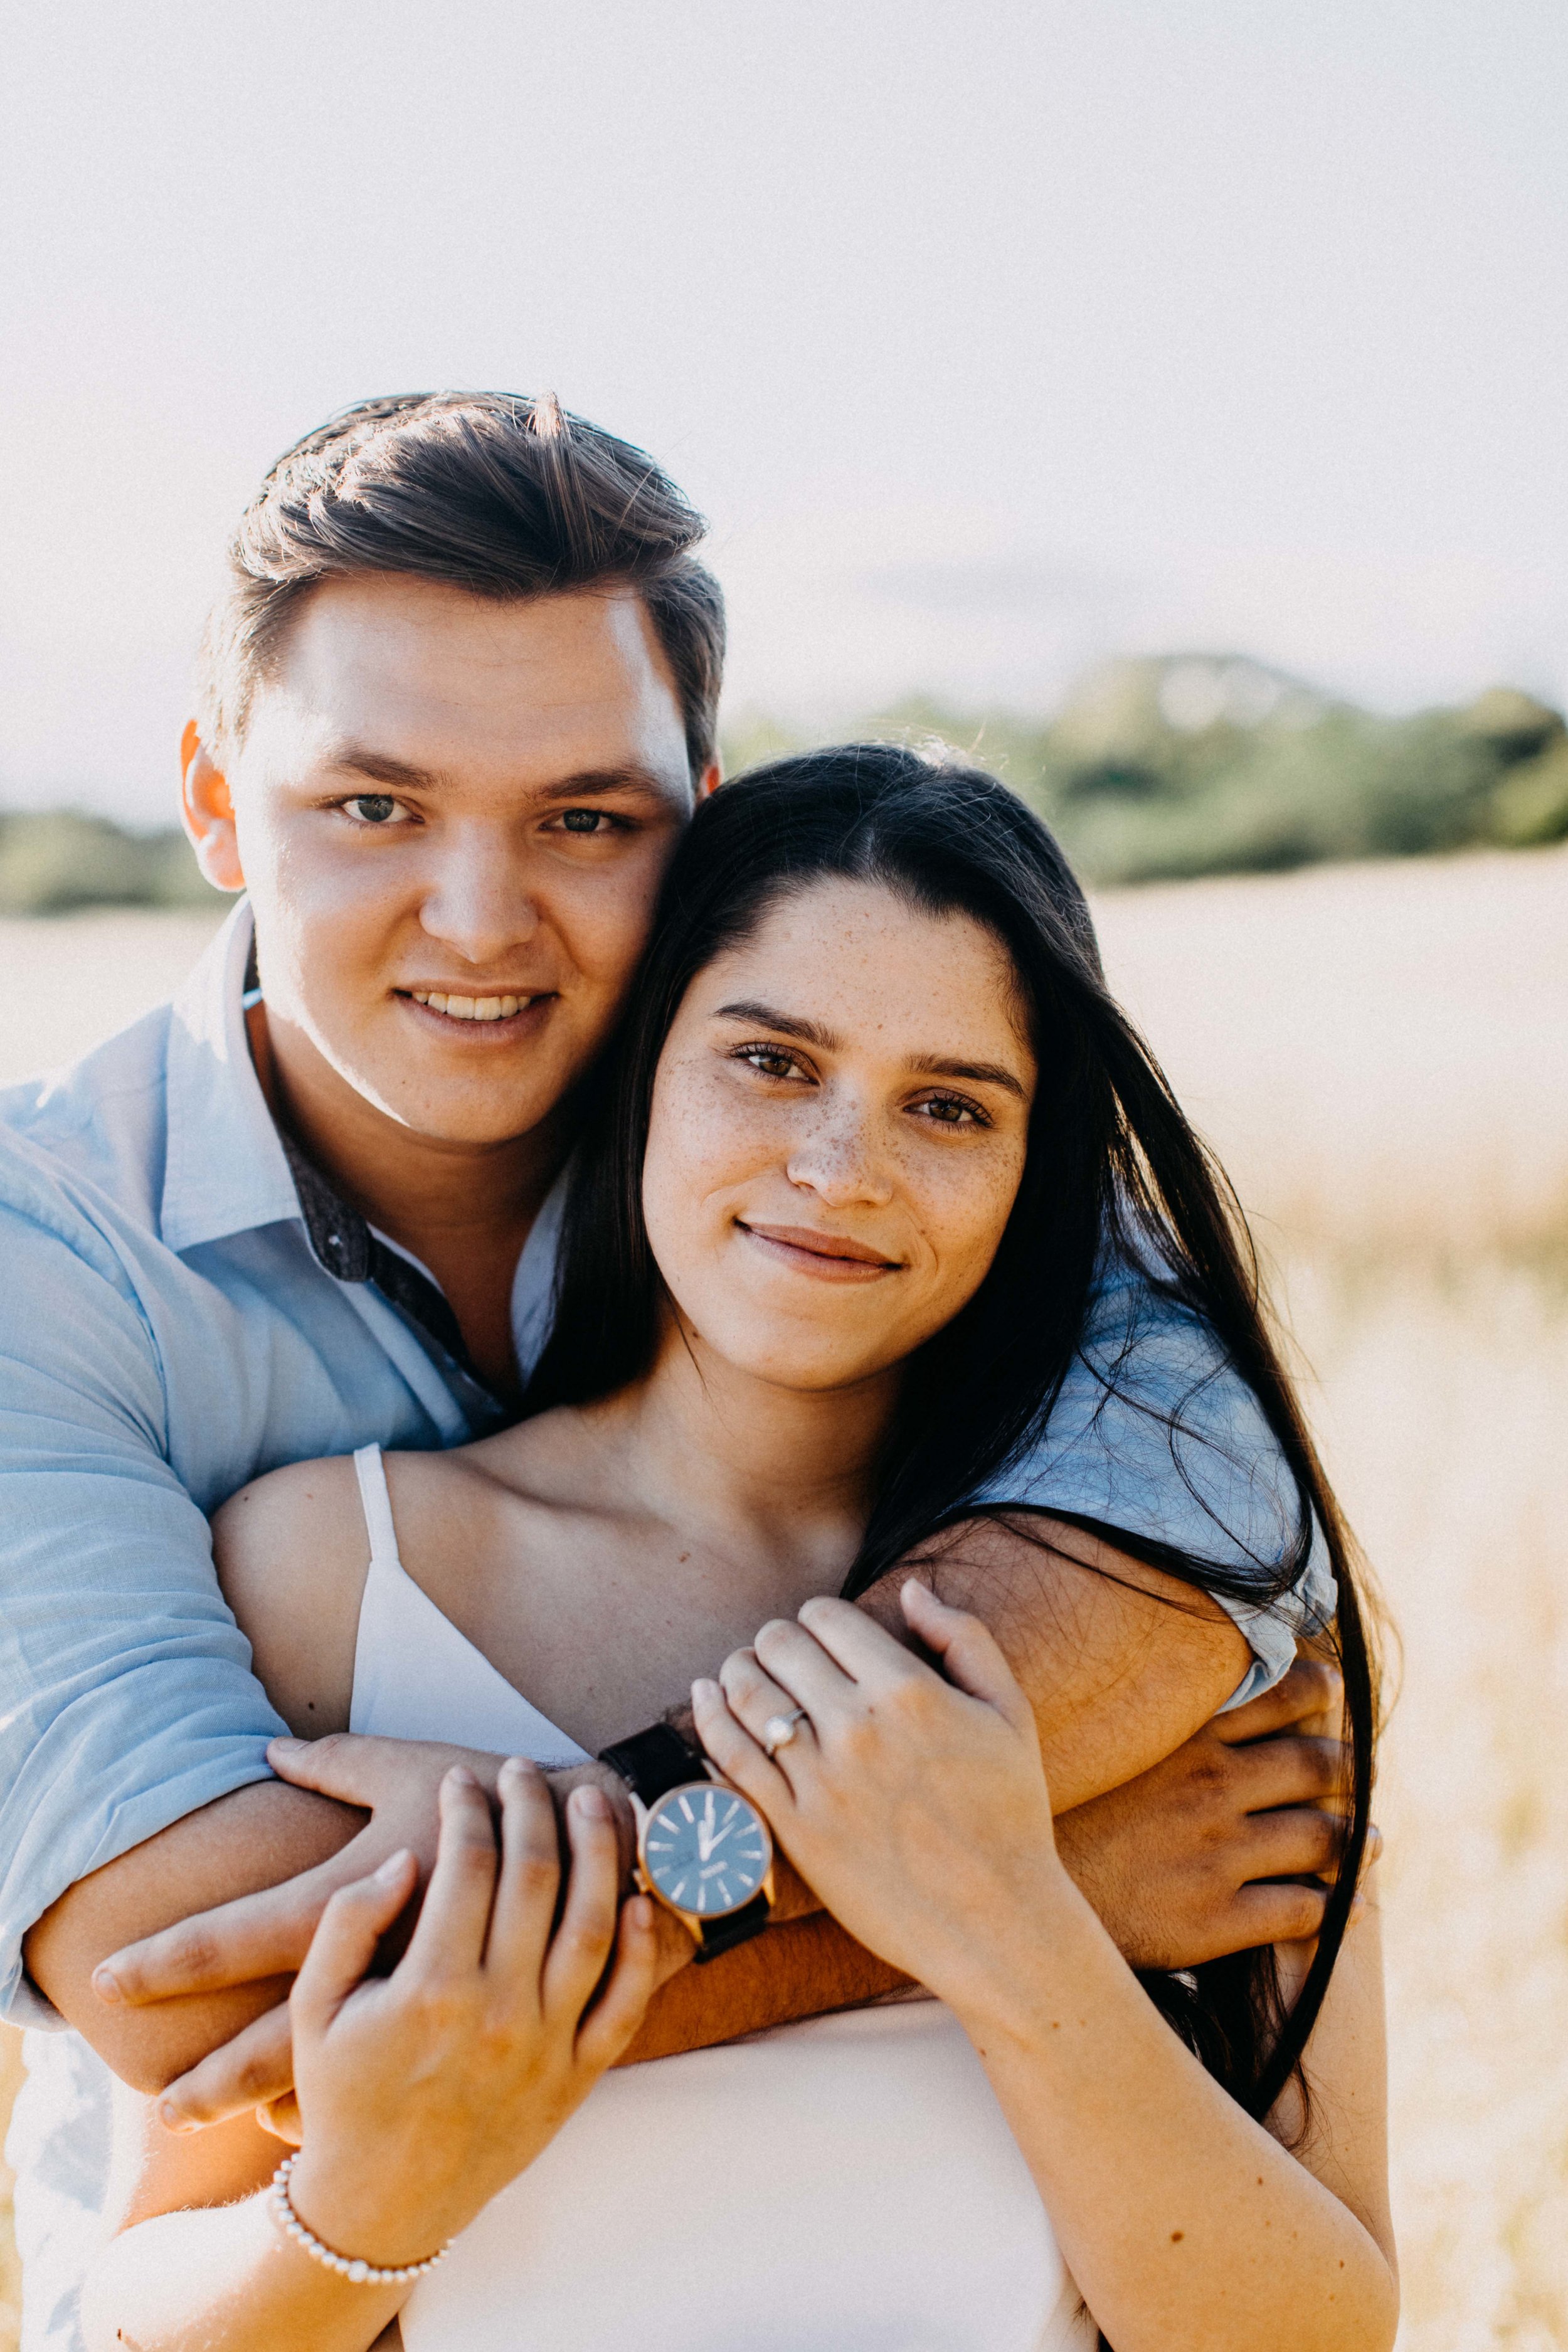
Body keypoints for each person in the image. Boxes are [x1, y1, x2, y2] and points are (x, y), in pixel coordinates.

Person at [3, 395, 1345, 2352]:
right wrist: (997, 1881)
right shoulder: (42, 1266)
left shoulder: (810, 1154)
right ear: (214, 798)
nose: (480, 921)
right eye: (372, 805)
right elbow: (205, 2010)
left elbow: (1185, 1530)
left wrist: (869, 1894)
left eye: (584, 818)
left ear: (695, 808)